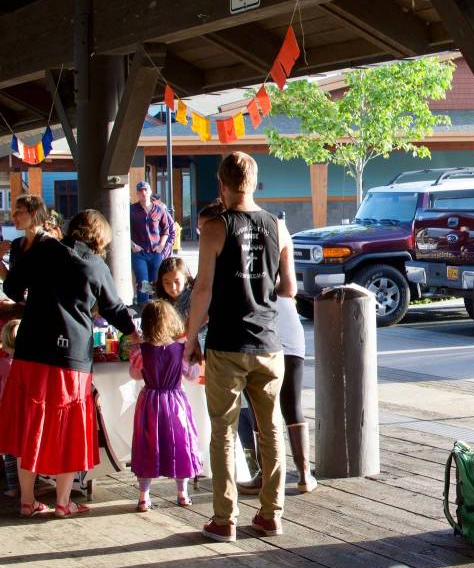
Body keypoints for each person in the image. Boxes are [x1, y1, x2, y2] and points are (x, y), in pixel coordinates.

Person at [186, 152, 297, 542]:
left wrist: (189, 340)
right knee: (271, 430)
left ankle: (224, 519)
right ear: (253, 181)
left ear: (222, 184)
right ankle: (271, 515)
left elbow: (202, 288)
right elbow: (289, 288)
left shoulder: (216, 228)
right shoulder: (278, 227)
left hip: (227, 343)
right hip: (269, 343)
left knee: (224, 432)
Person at [0, 210, 138, 518]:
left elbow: (11, 287)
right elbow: (115, 309)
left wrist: (33, 299)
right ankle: (63, 503)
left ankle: (26, 501)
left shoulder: (45, 249)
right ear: (100, 239)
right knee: (68, 429)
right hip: (70, 356)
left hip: (32, 348)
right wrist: (136, 335)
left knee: (30, 425)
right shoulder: (95, 265)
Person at [236, 214, 316, 495]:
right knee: (291, 402)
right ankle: (304, 473)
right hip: (286, 323)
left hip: (256, 328)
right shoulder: (280, 232)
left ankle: (264, 474)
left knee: (259, 404)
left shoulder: (234, 236)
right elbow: (290, 288)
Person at [129, 299, 203, 512]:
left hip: (149, 403)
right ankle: (182, 493)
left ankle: (144, 496)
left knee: (147, 447)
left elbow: (134, 375)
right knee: (180, 446)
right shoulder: (181, 349)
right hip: (175, 402)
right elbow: (193, 375)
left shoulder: (141, 350)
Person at [130, 181, 173, 304]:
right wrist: (132, 245)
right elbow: (124, 230)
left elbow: (166, 230)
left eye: (146, 190)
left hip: (155, 252)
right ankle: (143, 309)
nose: (143, 193)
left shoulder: (159, 210)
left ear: (150, 192)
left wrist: (161, 245)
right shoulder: (132, 210)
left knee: (155, 281)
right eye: (140, 191)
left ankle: (155, 307)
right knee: (143, 281)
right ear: (137, 194)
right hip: (139, 253)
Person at [0, 195, 50, 281]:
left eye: (18, 211)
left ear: (33, 213)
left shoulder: (49, 245)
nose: (13, 216)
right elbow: (11, 282)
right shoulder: (16, 244)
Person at [0, 318, 19, 498]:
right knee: (23, 453)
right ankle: (32, 486)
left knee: (9, 455)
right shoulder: (27, 366)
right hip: (22, 412)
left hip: (5, 412)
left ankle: (13, 487)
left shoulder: (3, 364)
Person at [154, 257, 194, 323]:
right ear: (161, 282)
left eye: (177, 282)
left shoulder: (194, 298)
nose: (173, 287)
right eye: (167, 283)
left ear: (185, 279)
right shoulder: (159, 299)